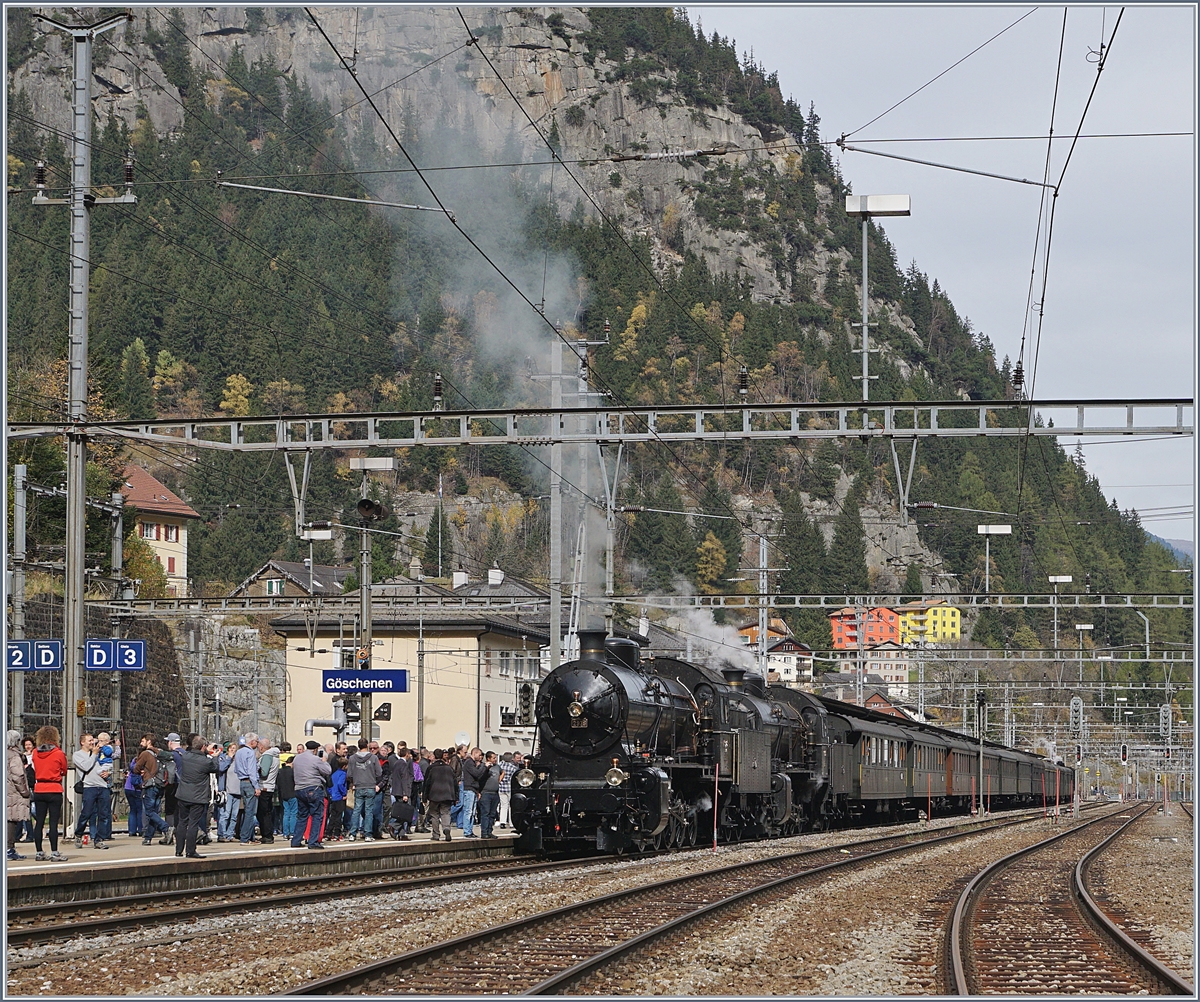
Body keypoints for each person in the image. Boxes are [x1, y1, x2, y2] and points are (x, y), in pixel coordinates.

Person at [175, 735, 219, 858]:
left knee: (182, 823)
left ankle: (178, 850)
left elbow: (193, 752)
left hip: (183, 794)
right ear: (203, 747)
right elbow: (215, 768)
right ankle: (190, 850)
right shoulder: (206, 761)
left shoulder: (186, 756)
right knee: (193, 824)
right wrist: (214, 757)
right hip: (197, 796)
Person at [31, 725, 69, 861]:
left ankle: (39, 852)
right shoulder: (58, 753)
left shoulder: (35, 752)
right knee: (53, 822)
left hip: (39, 788)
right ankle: (54, 852)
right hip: (54, 788)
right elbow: (64, 770)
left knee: (39, 822)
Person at [71, 733, 110, 849]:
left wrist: (108, 772)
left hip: (103, 786)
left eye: (93, 740)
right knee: (86, 813)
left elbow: (107, 765)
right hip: (89, 787)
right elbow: (86, 767)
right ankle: (79, 834)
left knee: (104, 814)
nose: (92, 742)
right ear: (82, 742)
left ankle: (99, 839)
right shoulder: (78, 755)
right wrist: (94, 755)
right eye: (90, 740)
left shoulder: (100, 753)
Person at [290, 740, 332, 849]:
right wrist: (324, 760)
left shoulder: (297, 758)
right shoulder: (316, 759)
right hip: (313, 788)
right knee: (317, 815)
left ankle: (296, 840)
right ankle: (313, 842)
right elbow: (327, 771)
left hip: (299, 788)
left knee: (302, 816)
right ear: (315, 750)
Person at [133, 734, 170, 844]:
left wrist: (141, 770)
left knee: (149, 812)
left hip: (150, 785)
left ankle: (166, 828)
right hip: (160, 784)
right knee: (154, 813)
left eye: (143, 741)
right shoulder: (160, 752)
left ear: (149, 741)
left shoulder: (145, 754)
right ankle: (148, 838)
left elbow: (136, 768)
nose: (141, 743)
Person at [347, 737, 381, 841]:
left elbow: (349, 774)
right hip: (370, 785)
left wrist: (354, 781)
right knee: (369, 811)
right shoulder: (373, 758)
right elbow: (379, 773)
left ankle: (352, 833)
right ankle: (368, 834)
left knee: (356, 810)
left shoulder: (352, 758)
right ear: (367, 745)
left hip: (358, 786)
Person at [7, 730, 31, 860]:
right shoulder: (15, 756)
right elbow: (18, 776)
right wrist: (25, 792)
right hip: (13, 793)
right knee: (12, 820)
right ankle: (9, 849)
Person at [423, 749, 457, 842]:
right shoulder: (449, 768)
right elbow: (455, 783)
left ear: (434, 756)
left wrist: (424, 797)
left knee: (434, 814)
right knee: (446, 813)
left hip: (434, 795)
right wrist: (456, 797)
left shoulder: (431, 768)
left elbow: (426, 783)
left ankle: (436, 834)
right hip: (447, 794)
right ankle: (446, 828)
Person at [233, 733, 261, 844]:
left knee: (246, 810)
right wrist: (256, 787)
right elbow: (251, 772)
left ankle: (250, 837)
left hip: (242, 782)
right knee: (250, 812)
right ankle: (245, 838)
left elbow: (236, 769)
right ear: (252, 742)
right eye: (257, 741)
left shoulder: (238, 752)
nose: (258, 743)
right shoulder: (250, 753)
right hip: (250, 783)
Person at [387, 745, 414, 840]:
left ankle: (402, 834)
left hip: (396, 790)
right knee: (406, 813)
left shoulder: (396, 763)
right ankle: (394, 826)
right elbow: (404, 779)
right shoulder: (403, 764)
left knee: (401, 812)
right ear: (406, 754)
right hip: (402, 791)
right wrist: (406, 794)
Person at [460, 748, 488, 838]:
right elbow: (476, 774)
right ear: (474, 753)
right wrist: (484, 766)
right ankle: (467, 831)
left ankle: (470, 830)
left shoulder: (473, 763)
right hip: (469, 789)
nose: (480, 757)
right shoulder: (469, 762)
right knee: (468, 811)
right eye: (479, 755)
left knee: (472, 812)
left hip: (474, 789)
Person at [95, 731, 117, 842]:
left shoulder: (108, 748)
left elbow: (110, 753)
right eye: (98, 740)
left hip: (106, 765)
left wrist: (102, 747)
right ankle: (98, 833)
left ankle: (105, 833)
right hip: (100, 766)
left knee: (105, 810)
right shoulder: (96, 749)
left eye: (102, 740)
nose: (99, 742)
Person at [257, 737, 280, 844]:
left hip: (264, 786)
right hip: (271, 786)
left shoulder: (267, 756)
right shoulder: (275, 756)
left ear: (261, 747)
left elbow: (264, 772)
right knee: (268, 812)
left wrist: (256, 769)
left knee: (263, 813)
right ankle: (268, 834)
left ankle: (267, 835)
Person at [479, 751, 501, 840]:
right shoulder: (483, 766)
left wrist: (499, 780)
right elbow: (480, 776)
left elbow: (503, 772)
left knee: (492, 814)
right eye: (493, 758)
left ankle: (489, 831)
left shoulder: (497, 767)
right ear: (488, 759)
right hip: (486, 793)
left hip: (495, 793)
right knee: (485, 813)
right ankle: (484, 832)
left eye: (496, 758)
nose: (495, 759)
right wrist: (486, 768)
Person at [19, 737, 36, 843]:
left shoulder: (35, 755)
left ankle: (37, 828)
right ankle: (29, 833)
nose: (28, 747)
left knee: (34, 810)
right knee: (28, 811)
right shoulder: (23, 756)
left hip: (34, 785)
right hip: (26, 786)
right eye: (26, 745)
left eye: (29, 744)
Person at [278, 748, 297, 840]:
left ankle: (285, 833)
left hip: (283, 794)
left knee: (286, 813)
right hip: (293, 794)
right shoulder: (293, 772)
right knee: (293, 813)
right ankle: (292, 832)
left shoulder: (280, 771)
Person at [327, 756, 348, 840]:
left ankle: (329, 832)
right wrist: (344, 794)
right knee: (339, 816)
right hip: (339, 797)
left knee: (333, 816)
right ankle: (337, 833)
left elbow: (330, 785)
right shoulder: (343, 774)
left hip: (333, 796)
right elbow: (340, 784)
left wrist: (331, 793)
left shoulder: (334, 774)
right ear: (344, 766)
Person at [497, 752, 518, 830]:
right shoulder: (513, 768)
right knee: (511, 805)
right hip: (509, 788)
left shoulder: (499, 766)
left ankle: (502, 822)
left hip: (501, 788)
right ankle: (512, 822)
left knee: (503, 805)